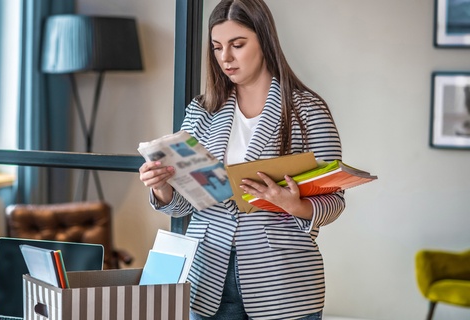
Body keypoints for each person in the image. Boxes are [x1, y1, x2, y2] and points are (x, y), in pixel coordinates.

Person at [139, 0, 344, 319]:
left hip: (282, 282)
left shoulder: (307, 111)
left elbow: (335, 201)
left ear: (264, 39)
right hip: (207, 276)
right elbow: (185, 206)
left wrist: (293, 205)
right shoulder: (202, 111)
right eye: (217, 47)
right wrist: (162, 188)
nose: (226, 58)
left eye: (237, 45)